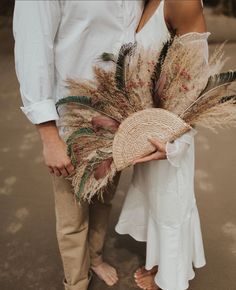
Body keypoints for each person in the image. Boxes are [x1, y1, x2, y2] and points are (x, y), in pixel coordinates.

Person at [13, 1, 144, 289]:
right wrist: (48, 136)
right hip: (72, 115)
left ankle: (95, 258)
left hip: (118, 113)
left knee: (103, 198)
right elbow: (33, 49)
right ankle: (76, 282)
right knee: (72, 213)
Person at [116, 0, 208, 289]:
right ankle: (159, 261)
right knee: (155, 196)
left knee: (171, 200)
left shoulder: (182, 2)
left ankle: (171, 276)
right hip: (149, 125)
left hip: (172, 132)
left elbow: (196, 80)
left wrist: (176, 141)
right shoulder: (142, 2)